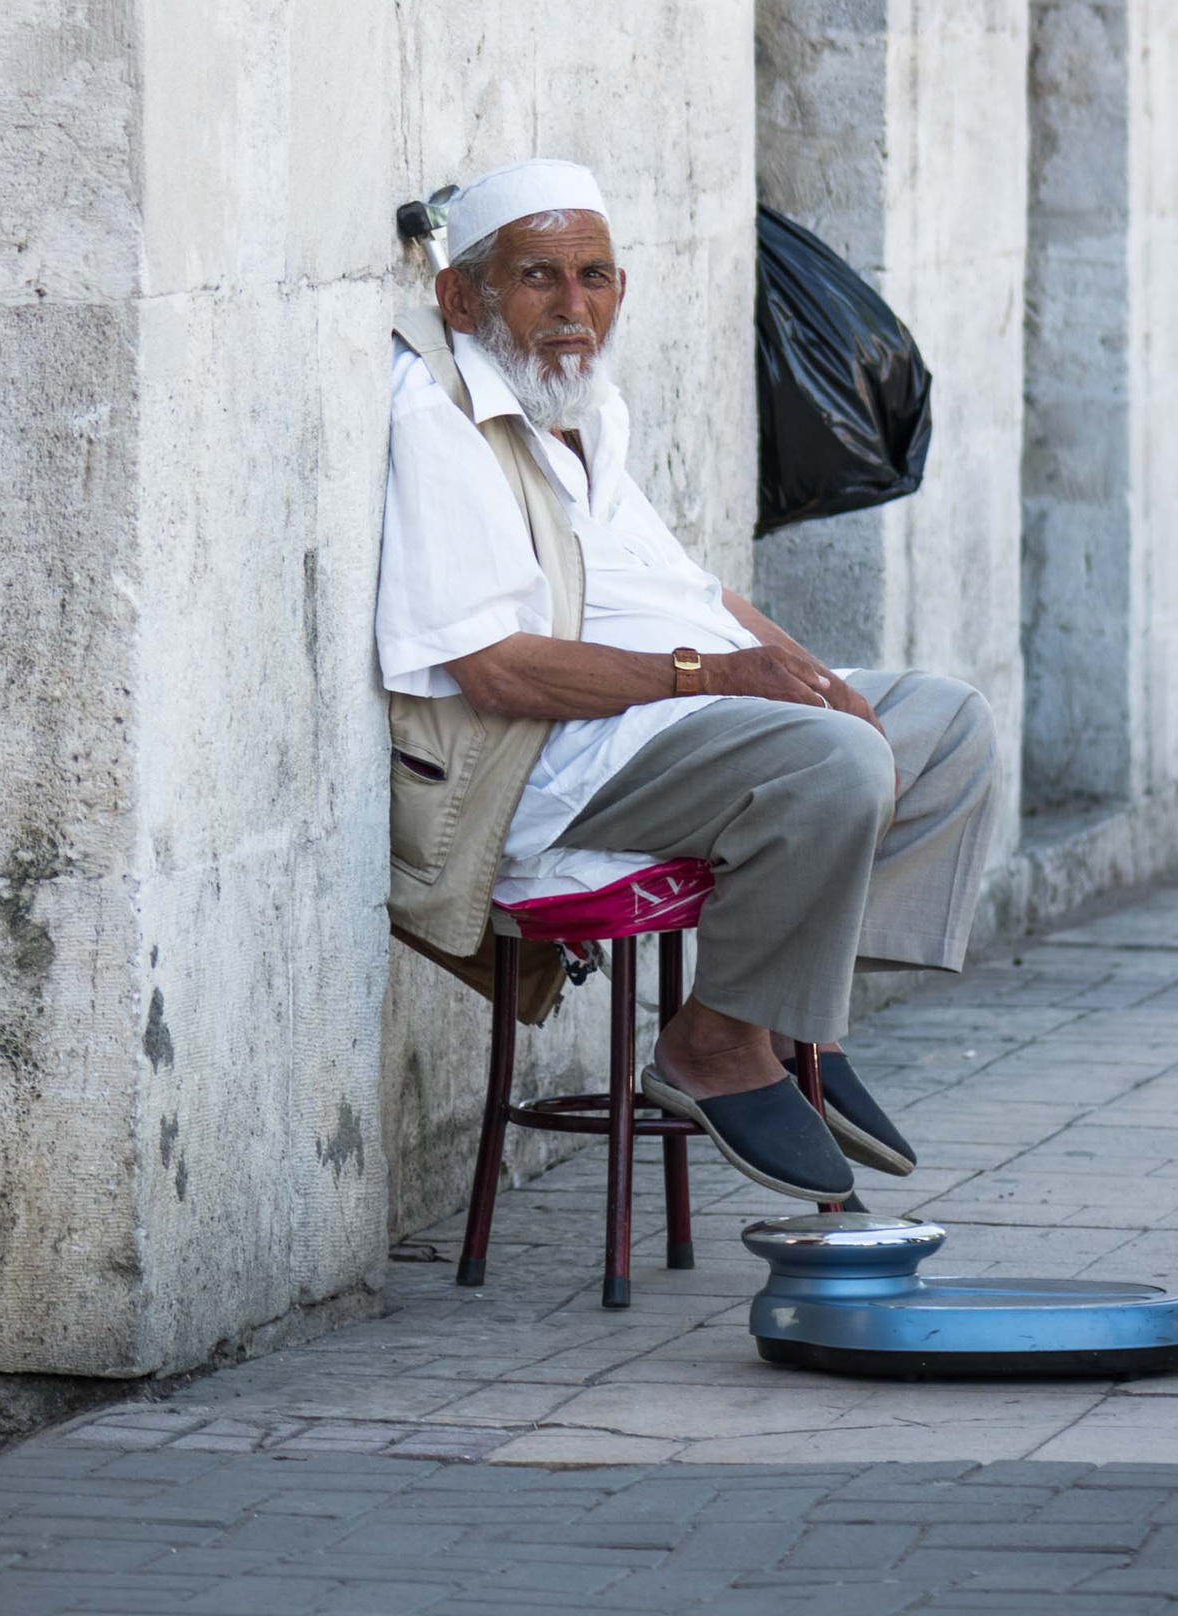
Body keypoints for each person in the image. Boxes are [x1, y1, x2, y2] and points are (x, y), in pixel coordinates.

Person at [378, 159, 1002, 1205]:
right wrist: (715, 675)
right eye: (539, 277)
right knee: (835, 760)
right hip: (552, 764)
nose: (575, 308)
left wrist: (792, 669)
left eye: (596, 276)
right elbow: (491, 667)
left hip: (676, 719)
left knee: (944, 724)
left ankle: (797, 1021)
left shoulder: (578, 407)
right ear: (461, 293)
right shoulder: (440, 416)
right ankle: (712, 1044)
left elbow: (690, 588)